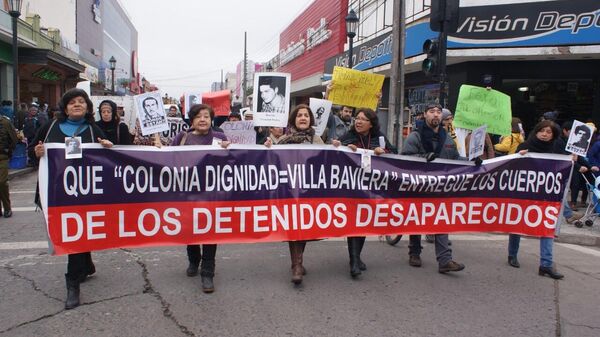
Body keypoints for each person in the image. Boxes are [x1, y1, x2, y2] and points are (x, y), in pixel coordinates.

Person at [30, 88, 113, 309]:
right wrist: (36, 153)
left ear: (87, 108)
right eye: (72, 102)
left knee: (75, 233)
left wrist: (107, 147)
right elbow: (32, 150)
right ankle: (85, 264)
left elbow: (109, 161)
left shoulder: (93, 130)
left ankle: (73, 283)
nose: (77, 105)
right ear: (65, 107)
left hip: (85, 194)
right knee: (72, 233)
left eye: (81, 102)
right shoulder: (49, 128)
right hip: (56, 192)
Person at [171, 104, 230, 293]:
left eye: (206, 116)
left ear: (212, 119)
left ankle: (207, 273)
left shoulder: (220, 138)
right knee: (190, 229)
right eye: (198, 116)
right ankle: (193, 259)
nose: (203, 119)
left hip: (213, 195)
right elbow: (167, 159)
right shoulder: (182, 137)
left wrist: (228, 150)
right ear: (192, 120)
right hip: (187, 194)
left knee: (210, 232)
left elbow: (233, 163)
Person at [401, 103, 466, 273]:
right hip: (419, 187)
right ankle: (414, 252)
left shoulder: (448, 138)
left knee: (441, 220)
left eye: (438, 112)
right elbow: (404, 159)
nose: (436, 115)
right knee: (416, 219)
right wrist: (423, 157)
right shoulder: (415, 136)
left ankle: (445, 260)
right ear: (425, 115)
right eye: (432, 112)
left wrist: (473, 161)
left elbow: (455, 158)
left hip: (440, 189)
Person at [333, 108, 396, 278]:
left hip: (371, 189)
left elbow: (395, 154)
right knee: (354, 222)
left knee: (363, 222)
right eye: (357, 118)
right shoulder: (348, 136)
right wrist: (343, 147)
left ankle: (356, 257)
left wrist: (384, 153)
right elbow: (335, 151)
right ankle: (354, 262)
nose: (358, 122)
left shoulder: (379, 138)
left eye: (363, 119)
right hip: (351, 188)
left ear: (371, 124)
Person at [264, 104, 323, 284]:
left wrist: (336, 148)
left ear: (310, 119)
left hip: (310, 191)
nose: (303, 118)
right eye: (299, 115)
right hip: (289, 191)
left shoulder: (318, 140)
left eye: (306, 115)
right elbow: (271, 163)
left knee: (304, 227)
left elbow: (326, 162)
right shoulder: (283, 140)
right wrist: (268, 148)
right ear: (293, 120)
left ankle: (298, 260)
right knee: (294, 226)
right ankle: (296, 266)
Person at [508, 120, 566, 279]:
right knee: (518, 224)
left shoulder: (556, 148)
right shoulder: (524, 146)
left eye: (549, 132)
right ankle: (512, 254)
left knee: (547, 226)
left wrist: (572, 161)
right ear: (537, 131)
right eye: (543, 131)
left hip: (546, 195)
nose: (545, 134)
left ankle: (546, 264)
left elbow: (563, 167)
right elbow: (510, 166)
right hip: (524, 194)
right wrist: (517, 157)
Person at [0, 112, 17, 217]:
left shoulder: (5, 122)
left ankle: (7, 207)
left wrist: (8, 151)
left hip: (2, 157)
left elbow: (13, 139)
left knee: (2, 182)